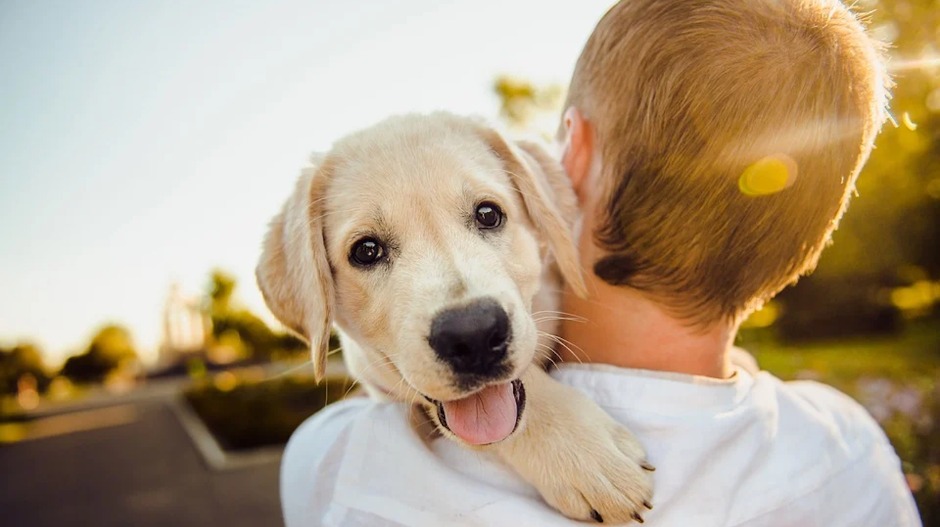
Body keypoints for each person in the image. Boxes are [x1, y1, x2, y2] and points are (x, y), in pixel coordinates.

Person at [280, 0, 921, 525]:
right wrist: (537, 420)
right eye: (369, 251)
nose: (463, 303)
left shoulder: (341, 467)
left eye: (486, 216)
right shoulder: (851, 450)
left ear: (570, 156)